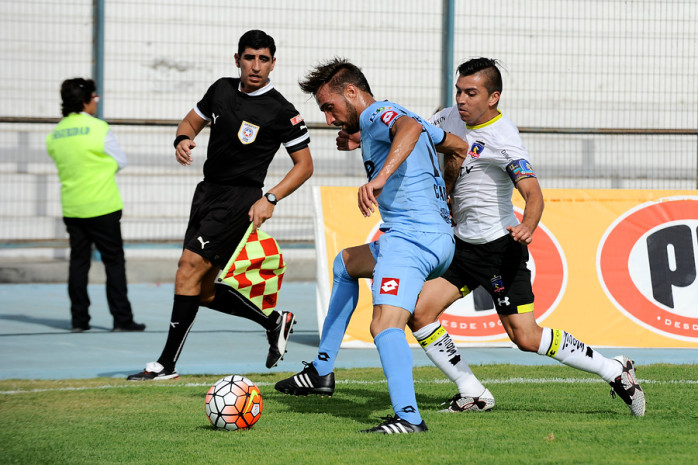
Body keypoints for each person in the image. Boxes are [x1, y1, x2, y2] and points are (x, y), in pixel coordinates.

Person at [298, 58, 646, 417]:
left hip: (498, 247)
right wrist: (358, 136)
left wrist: (528, 224)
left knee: (525, 337)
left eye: (471, 93)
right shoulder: (448, 117)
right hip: (459, 244)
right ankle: (472, 389)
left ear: (493, 97)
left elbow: (534, 193)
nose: (461, 100)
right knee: (420, 313)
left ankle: (613, 369)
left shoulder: (504, 140)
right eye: (459, 91)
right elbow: (411, 134)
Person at [275, 58, 470, 434]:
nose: (329, 119)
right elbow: (458, 147)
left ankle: (409, 417)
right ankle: (321, 371)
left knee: (384, 325)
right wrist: (444, 193)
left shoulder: (379, 112)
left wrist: (380, 177)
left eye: (329, 107)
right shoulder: (382, 122)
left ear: (351, 92)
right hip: (435, 239)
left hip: (410, 240)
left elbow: (408, 128)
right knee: (345, 264)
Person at [127, 30, 313, 381]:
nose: (255, 66)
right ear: (237, 59)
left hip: (239, 200)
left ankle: (165, 364)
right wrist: (182, 139)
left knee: (187, 268)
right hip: (206, 194)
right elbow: (190, 122)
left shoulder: (281, 110)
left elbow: (305, 165)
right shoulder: (220, 89)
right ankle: (273, 321)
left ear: (274, 62)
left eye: (263, 59)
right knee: (202, 289)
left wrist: (270, 197)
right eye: (249, 57)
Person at [46, 78, 145, 333]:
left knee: (78, 263)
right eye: (95, 97)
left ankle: (79, 320)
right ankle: (122, 319)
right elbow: (120, 160)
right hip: (103, 205)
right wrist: (104, 169)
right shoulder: (98, 128)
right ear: (85, 100)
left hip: (72, 206)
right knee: (113, 262)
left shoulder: (55, 133)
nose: (96, 102)